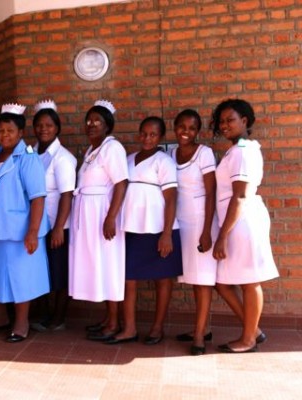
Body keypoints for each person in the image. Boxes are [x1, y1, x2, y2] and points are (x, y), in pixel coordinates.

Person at [106, 116, 182, 345]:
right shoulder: (128, 159)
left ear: (160, 137)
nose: (147, 138)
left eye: (153, 134)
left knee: (162, 279)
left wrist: (167, 233)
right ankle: (129, 328)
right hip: (132, 227)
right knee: (128, 278)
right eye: (144, 134)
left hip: (158, 228)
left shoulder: (164, 162)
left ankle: (157, 328)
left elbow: (171, 199)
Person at [211, 99, 278, 353]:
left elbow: (239, 196)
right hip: (236, 221)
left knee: (249, 281)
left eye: (230, 120)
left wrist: (222, 237)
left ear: (245, 121)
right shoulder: (237, 149)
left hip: (242, 221)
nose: (224, 125)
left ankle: (248, 339)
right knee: (223, 282)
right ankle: (254, 331)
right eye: (222, 121)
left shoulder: (243, 151)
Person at [0, 103, 50, 343]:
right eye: (0, 130)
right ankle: (0, 316)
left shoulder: (27, 159)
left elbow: (38, 197)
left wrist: (32, 231)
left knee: (22, 277)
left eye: (10, 131)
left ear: (21, 133)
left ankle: (21, 323)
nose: (4, 135)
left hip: (20, 230)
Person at [68, 100, 129, 342]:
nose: (91, 124)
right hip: (87, 214)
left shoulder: (113, 149)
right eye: (89, 120)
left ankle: (114, 322)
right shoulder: (92, 150)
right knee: (97, 265)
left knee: (108, 265)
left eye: (97, 121)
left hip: (102, 214)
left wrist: (111, 217)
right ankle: (107, 318)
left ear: (108, 126)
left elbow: (121, 183)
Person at [169, 109, 219, 356]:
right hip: (182, 222)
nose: (185, 132)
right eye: (181, 127)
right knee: (193, 279)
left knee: (203, 282)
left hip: (201, 221)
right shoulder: (170, 153)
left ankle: (199, 335)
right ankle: (203, 326)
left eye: (191, 128)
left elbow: (212, 193)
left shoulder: (205, 153)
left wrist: (207, 231)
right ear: (174, 127)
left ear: (197, 131)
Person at [29, 99, 76, 332]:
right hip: (38, 225)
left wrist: (59, 228)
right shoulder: (33, 153)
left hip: (58, 225)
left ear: (57, 128)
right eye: (39, 125)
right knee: (42, 271)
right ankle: (44, 314)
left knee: (59, 273)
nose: (43, 129)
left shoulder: (63, 158)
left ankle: (58, 317)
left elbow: (67, 195)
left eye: (48, 125)